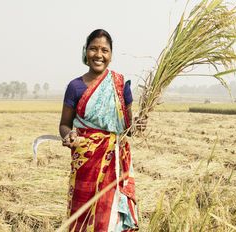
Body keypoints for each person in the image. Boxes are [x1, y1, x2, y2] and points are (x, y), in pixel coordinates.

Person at [59, 29, 145, 231]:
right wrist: (68, 135)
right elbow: (64, 124)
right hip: (86, 161)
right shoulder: (75, 87)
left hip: (115, 165)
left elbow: (128, 128)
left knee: (111, 214)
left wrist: (138, 125)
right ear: (85, 51)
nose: (99, 55)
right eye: (93, 49)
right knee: (82, 213)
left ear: (111, 55)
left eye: (104, 50)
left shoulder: (120, 85)